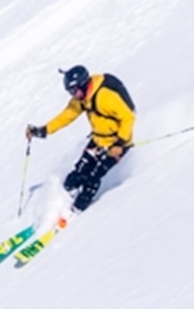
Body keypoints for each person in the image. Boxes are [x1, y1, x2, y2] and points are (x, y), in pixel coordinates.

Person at [27, 64, 135, 210]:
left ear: (84, 85)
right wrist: (43, 130)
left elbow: (128, 117)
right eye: (70, 91)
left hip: (117, 144)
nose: (73, 95)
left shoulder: (105, 96)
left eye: (74, 91)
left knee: (93, 178)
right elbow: (66, 116)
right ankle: (63, 201)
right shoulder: (81, 98)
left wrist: (120, 144)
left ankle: (77, 210)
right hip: (98, 140)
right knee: (77, 174)